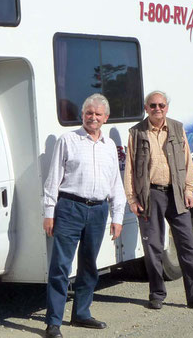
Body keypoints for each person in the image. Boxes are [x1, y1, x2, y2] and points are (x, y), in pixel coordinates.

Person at [124, 90, 193, 311]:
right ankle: (156, 294)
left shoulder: (176, 128)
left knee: (188, 246)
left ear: (167, 107)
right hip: (150, 195)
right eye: (153, 105)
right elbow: (129, 169)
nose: (157, 109)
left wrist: (189, 190)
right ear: (146, 108)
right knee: (153, 247)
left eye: (161, 105)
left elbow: (187, 161)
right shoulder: (136, 133)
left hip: (176, 193)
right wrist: (132, 199)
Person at [42, 93, 125, 338]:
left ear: (106, 118)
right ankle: (53, 322)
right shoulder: (67, 140)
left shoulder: (109, 146)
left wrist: (117, 217)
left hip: (99, 211)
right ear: (82, 115)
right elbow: (53, 178)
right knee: (60, 266)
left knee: (89, 265)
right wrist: (49, 212)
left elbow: (115, 184)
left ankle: (81, 313)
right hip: (69, 208)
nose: (93, 117)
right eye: (89, 113)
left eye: (98, 114)